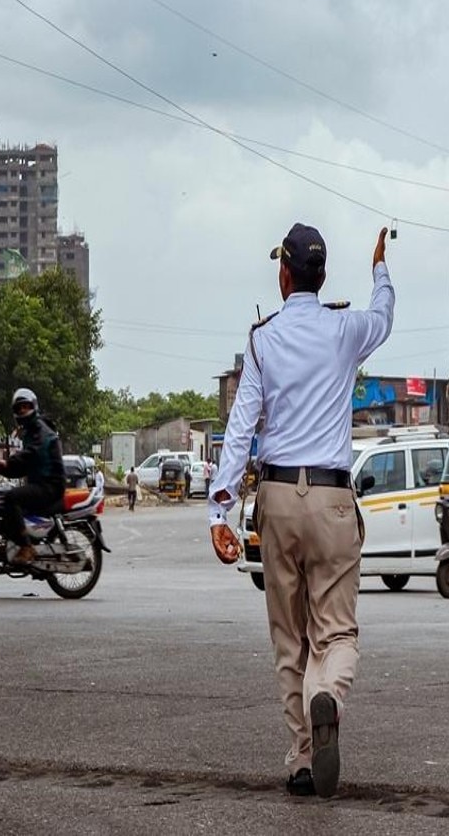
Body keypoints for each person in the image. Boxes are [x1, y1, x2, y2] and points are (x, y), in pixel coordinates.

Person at [208, 224, 393, 798]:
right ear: (322, 275)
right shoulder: (346, 329)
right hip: (335, 500)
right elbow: (384, 315)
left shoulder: (263, 340)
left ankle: (302, 759)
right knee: (335, 634)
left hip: (278, 499)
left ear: (283, 275)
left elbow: (241, 429)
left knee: (290, 639)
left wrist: (220, 510)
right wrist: (381, 268)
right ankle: (329, 699)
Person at [0, 388, 65, 566]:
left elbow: (31, 454)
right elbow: (24, 466)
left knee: (11, 498)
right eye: (20, 408)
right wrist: (4, 470)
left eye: (26, 406)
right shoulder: (31, 431)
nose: (23, 411)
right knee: (8, 497)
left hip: (50, 485)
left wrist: (8, 463)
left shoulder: (40, 430)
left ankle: (26, 547)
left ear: (34, 406)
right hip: (41, 483)